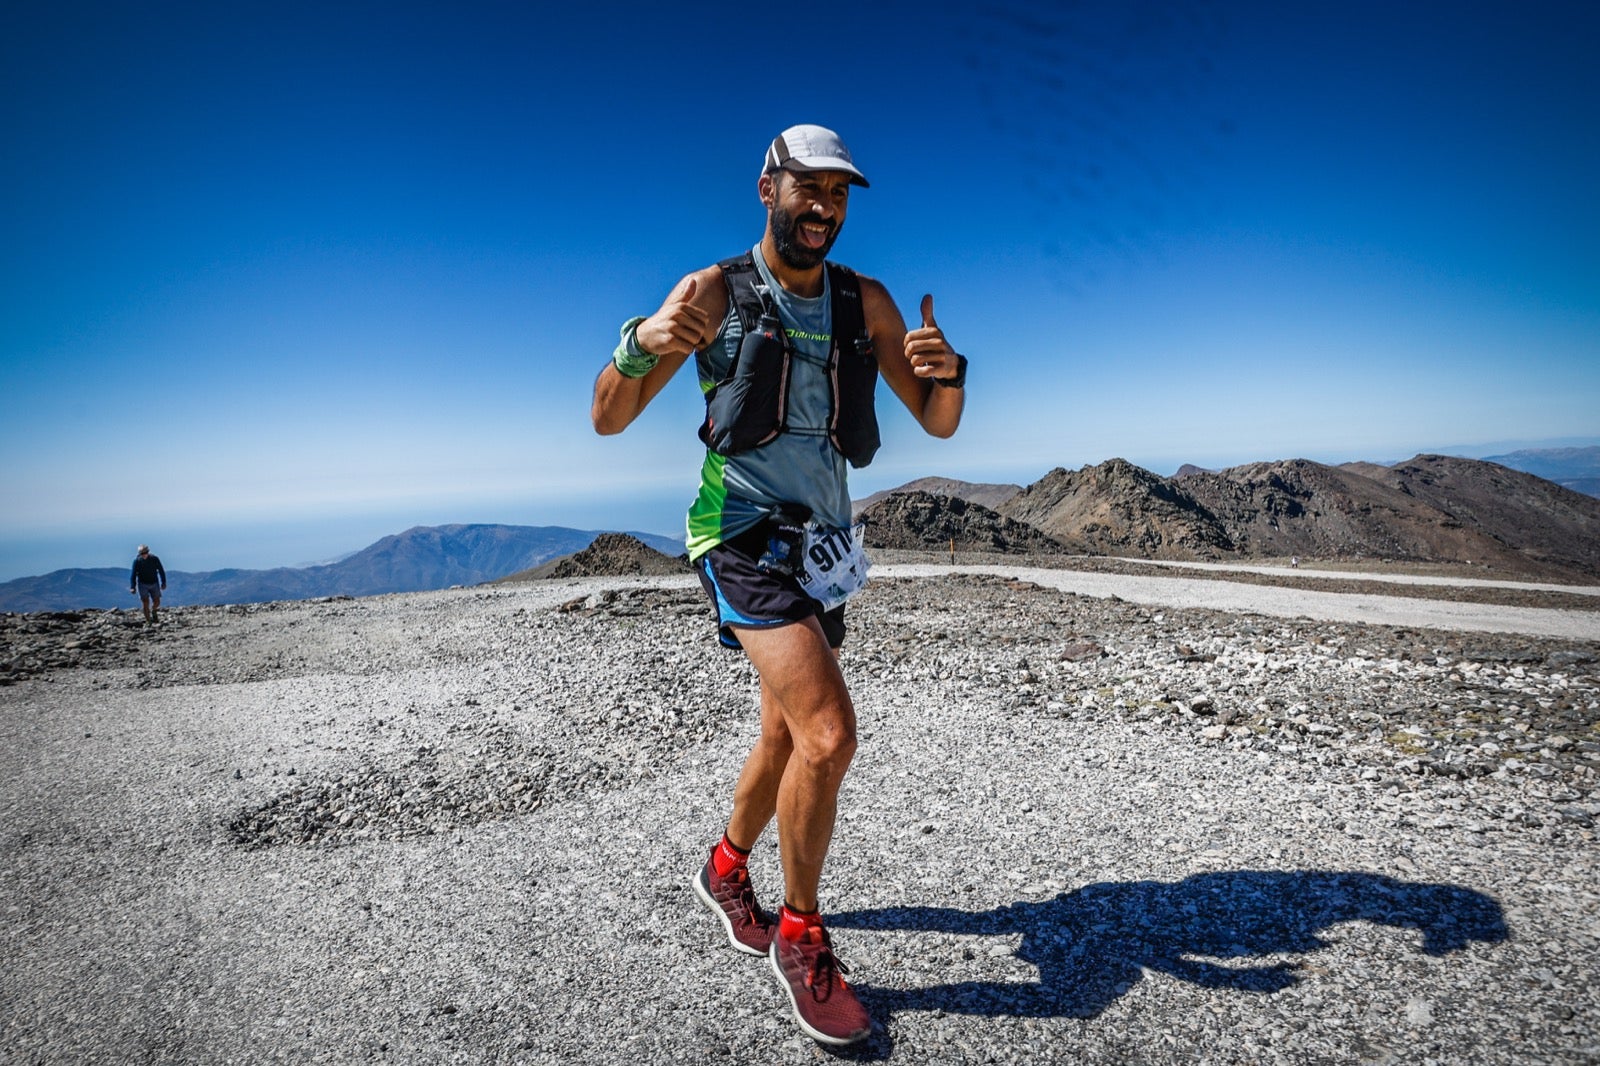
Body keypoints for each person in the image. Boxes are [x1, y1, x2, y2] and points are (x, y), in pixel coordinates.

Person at [591, 124, 967, 1046]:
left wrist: (948, 374)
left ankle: (726, 869)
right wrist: (641, 345)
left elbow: (940, 423)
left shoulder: (863, 301)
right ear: (768, 189)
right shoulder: (715, 292)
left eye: (840, 194)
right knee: (831, 732)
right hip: (742, 537)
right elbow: (609, 416)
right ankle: (800, 937)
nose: (826, 208)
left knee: (785, 734)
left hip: (821, 551)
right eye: (810, 188)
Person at [129, 545, 167, 625]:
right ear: (139, 553)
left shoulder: (154, 559)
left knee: (157, 601)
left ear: (148, 552)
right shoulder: (137, 561)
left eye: (145, 552)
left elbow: (161, 570)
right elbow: (133, 574)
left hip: (154, 583)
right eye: (142, 553)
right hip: (142, 584)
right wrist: (133, 586)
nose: (144, 554)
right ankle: (148, 621)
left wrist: (163, 582)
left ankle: (153, 610)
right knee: (145, 602)